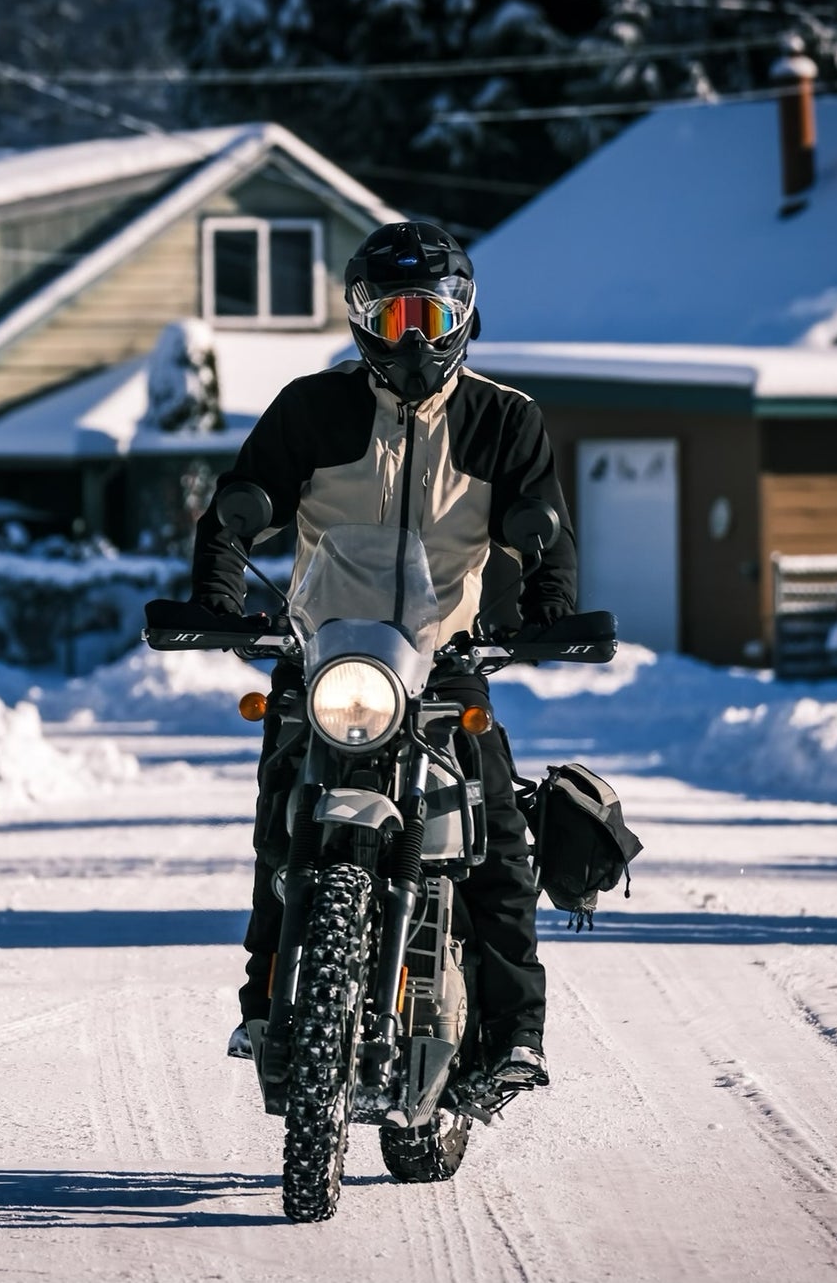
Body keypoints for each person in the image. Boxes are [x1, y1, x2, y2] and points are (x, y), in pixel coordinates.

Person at [190, 220, 576, 1099]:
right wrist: (218, 597)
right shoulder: (309, 408)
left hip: (441, 660)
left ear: (462, 317)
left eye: (428, 313)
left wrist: (550, 611)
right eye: (392, 313)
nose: (411, 336)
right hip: (326, 656)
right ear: (363, 320)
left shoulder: (504, 420)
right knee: (283, 822)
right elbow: (237, 506)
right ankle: (264, 1004)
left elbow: (544, 530)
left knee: (500, 845)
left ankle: (517, 1031)